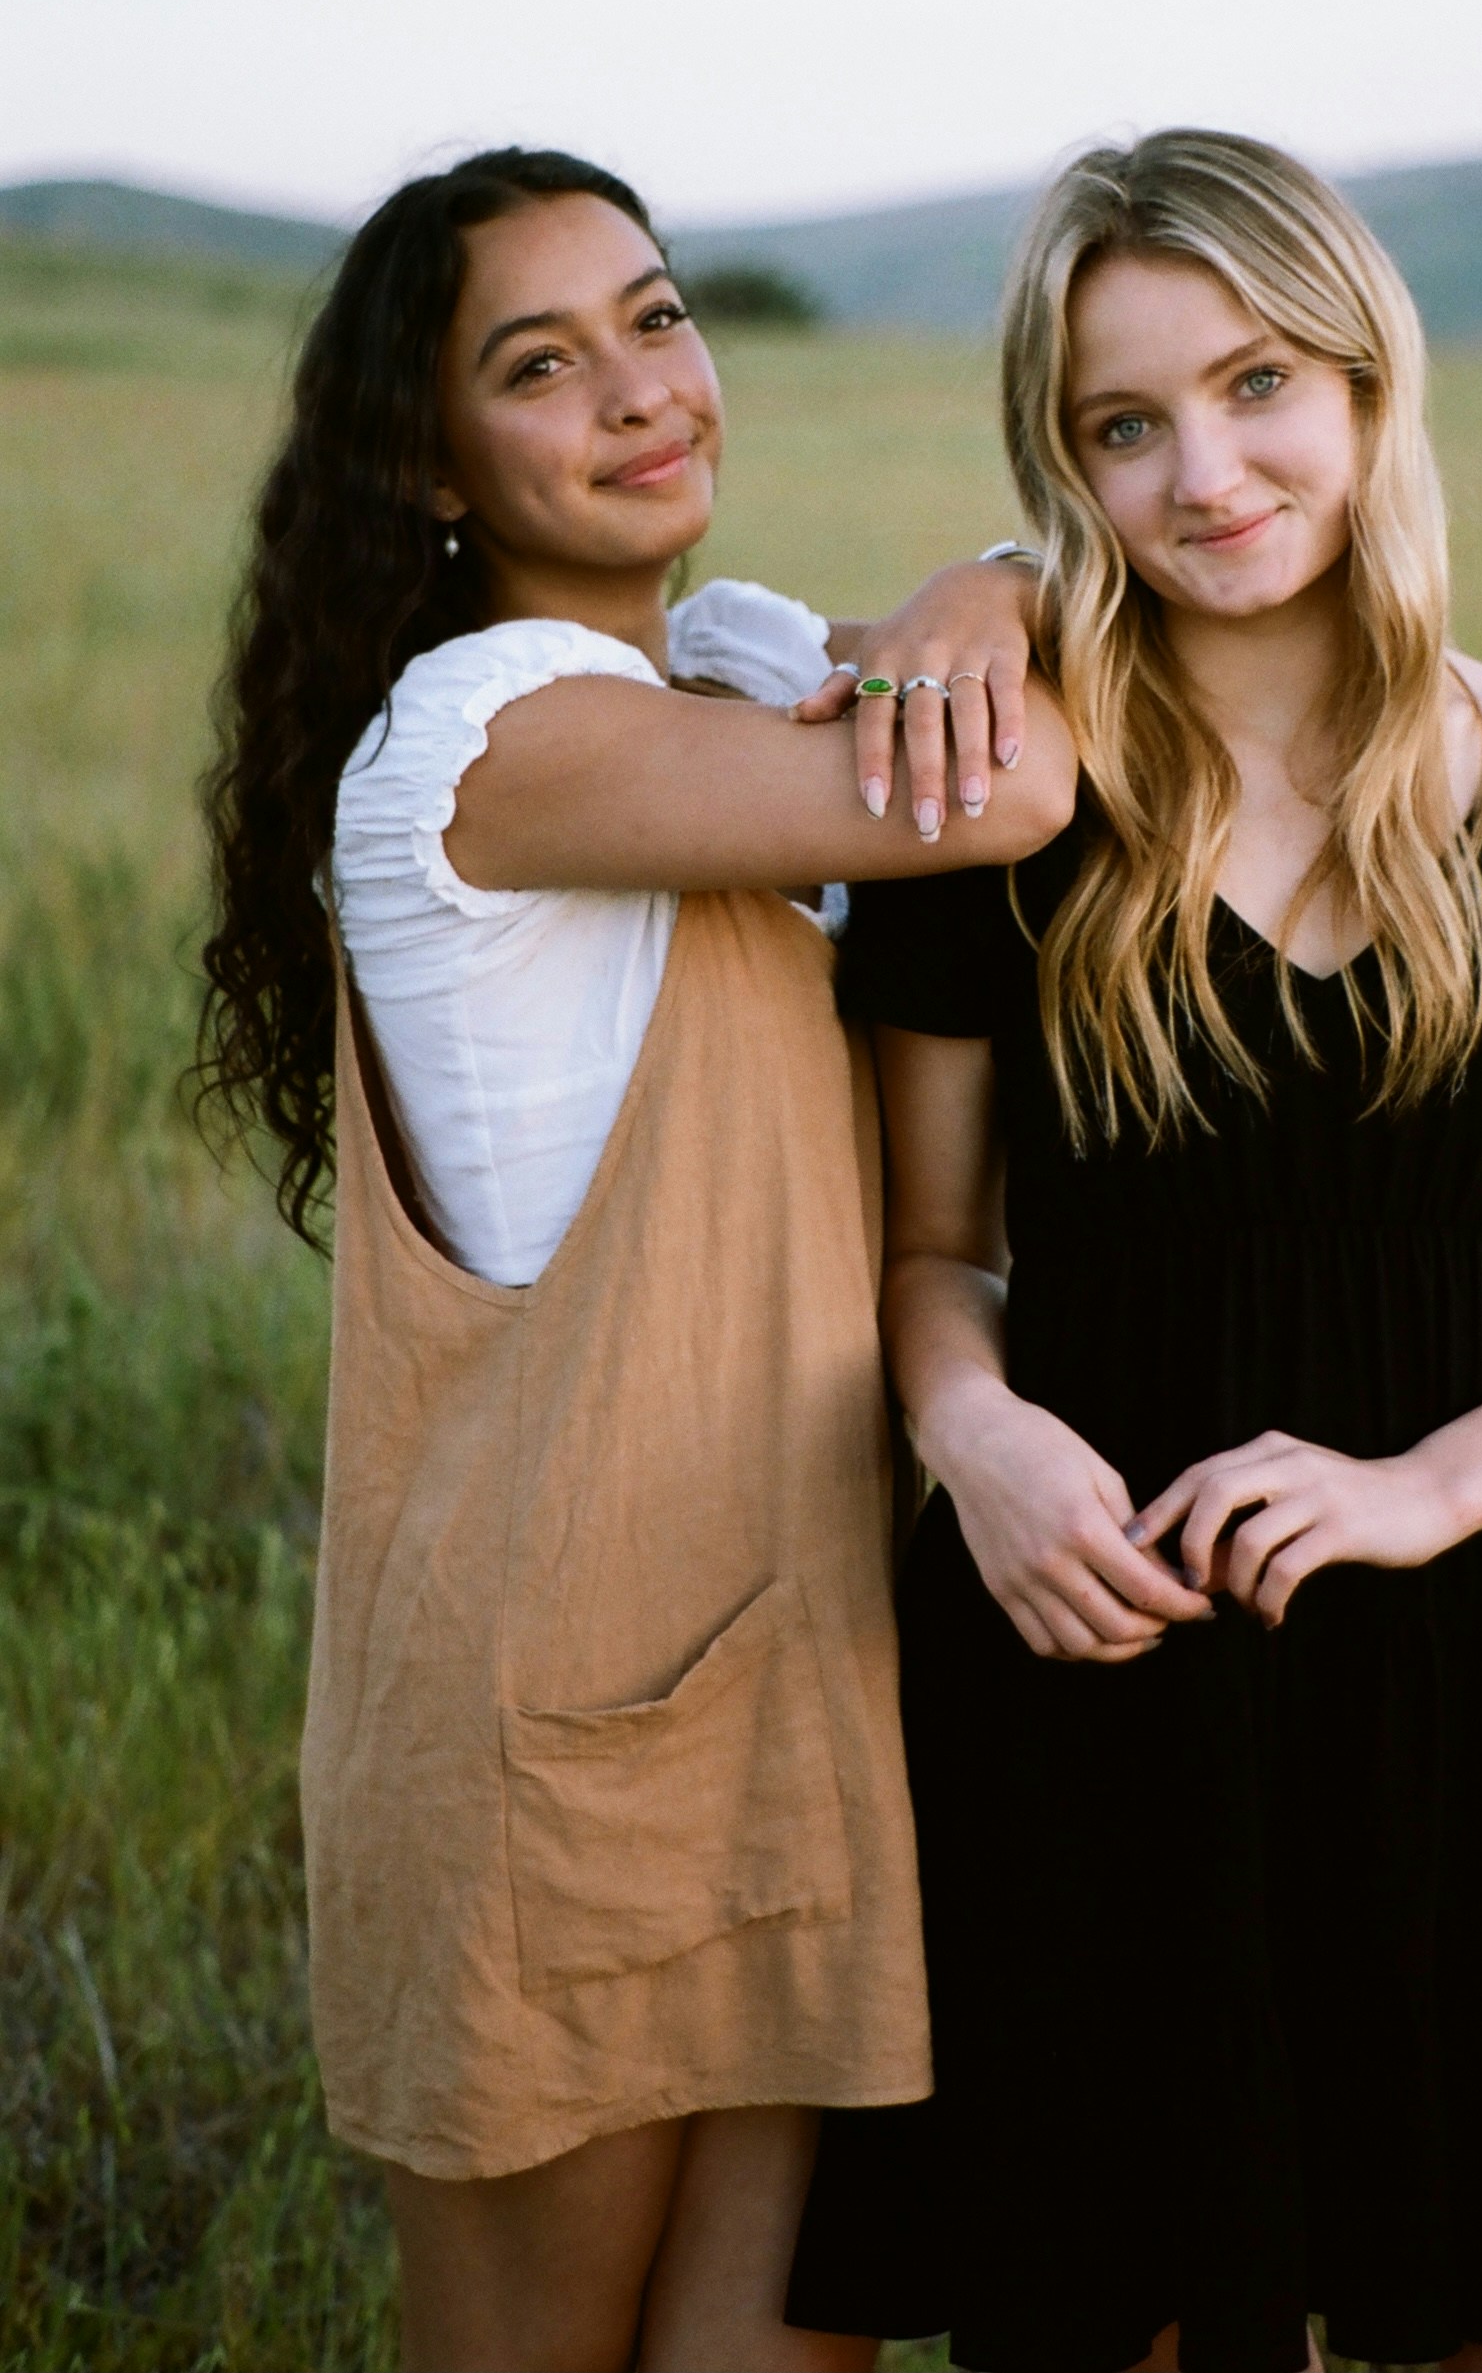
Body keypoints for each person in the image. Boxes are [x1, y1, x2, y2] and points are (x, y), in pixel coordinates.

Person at [788, 130, 1482, 2373]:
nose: (1204, 472)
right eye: (1116, 427)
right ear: (1060, 470)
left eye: (1255, 386)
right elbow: (935, 1251)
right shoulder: (1006, 806)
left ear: (1364, 381)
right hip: (1093, 1678)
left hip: (1474, 1686)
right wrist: (976, 1440)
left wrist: (1418, 1493)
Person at [197, 147, 1076, 2373]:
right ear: (427, 457)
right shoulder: (485, 740)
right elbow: (999, 789)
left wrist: (986, 571)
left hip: (790, 1674)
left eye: (656, 318)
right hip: (542, 1729)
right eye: (538, 362)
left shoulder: (733, 658)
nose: (635, 390)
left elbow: (1000, 670)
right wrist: (999, 606)